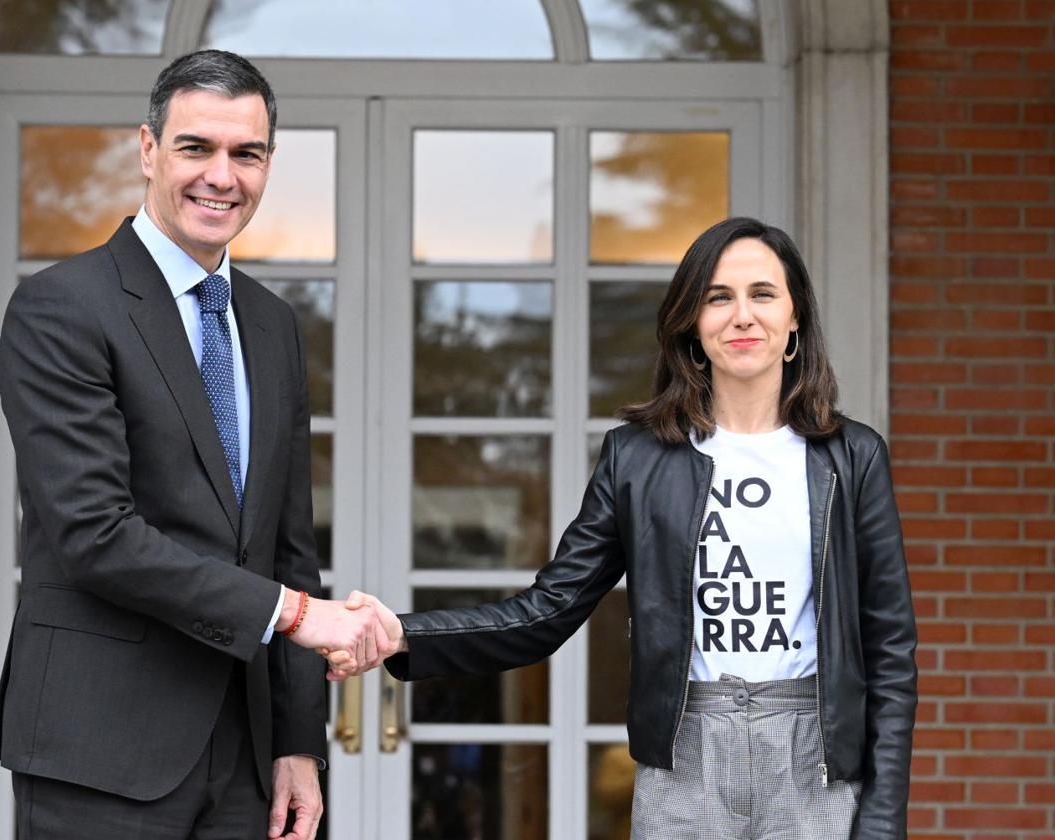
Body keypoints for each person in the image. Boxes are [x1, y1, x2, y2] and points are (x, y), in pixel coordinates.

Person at [335, 217, 918, 839]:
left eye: (763, 294)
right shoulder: (638, 458)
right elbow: (547, 611)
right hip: (684, 761)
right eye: (718, 297)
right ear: (692, 322)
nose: (742, 315)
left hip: (818, 759)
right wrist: (403, 634)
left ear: (795, 317)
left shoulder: (851, 457)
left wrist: (881, 818)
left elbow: (889, 650)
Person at [0, 50, 392, 840]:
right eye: (195, 148)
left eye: (247, 153)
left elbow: (286, 546)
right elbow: (95, 535)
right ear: (147, 150)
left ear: (269, 163)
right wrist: (298, 615)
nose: (222, 176)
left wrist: (299, 746)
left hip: (242, 755)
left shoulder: (272, 326)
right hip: (98, 747)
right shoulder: (60, 308)